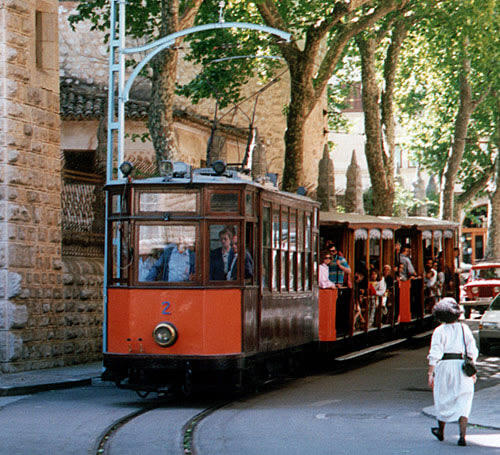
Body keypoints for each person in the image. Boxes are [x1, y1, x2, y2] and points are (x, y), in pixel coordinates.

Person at [427, 297, 478, 446]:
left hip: (444, 366)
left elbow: (435, 353)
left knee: (442, 397)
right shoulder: (464, 328)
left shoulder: (439, 331)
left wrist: (431, 373)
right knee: (464, 400)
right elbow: (472, 350)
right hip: (462, 366)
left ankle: (441, 431)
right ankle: (462, 436)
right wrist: (473, 370)